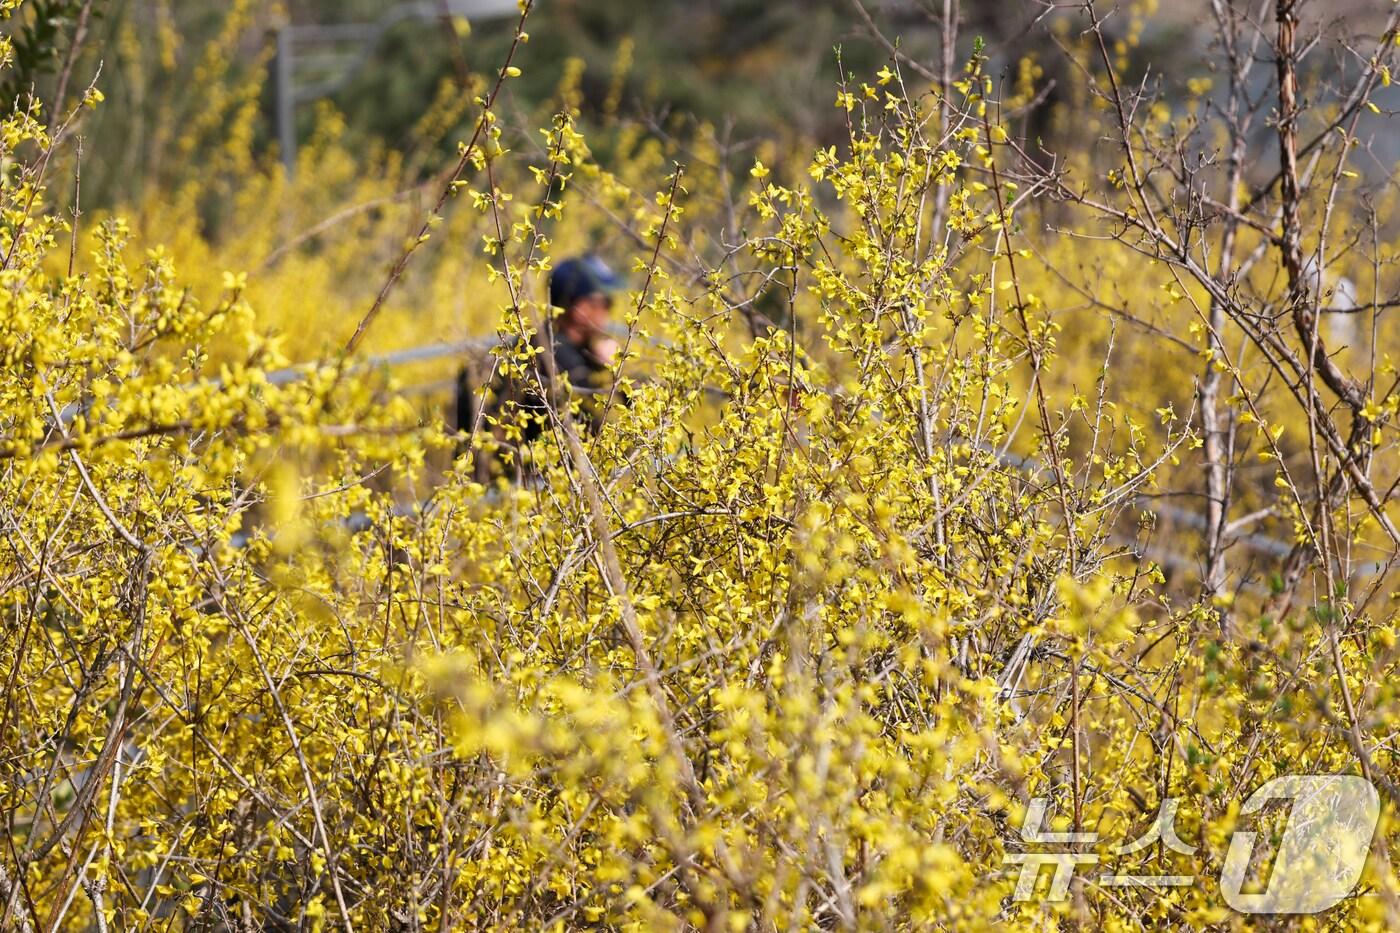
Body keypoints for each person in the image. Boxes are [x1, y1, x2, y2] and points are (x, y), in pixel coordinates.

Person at [455, 254, 623, 468]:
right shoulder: (558, 357)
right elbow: (593, 433)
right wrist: (619, 371)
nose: (610, 311)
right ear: (581, 309)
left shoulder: (543, 341)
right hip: (526, 479)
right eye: (605, 302)